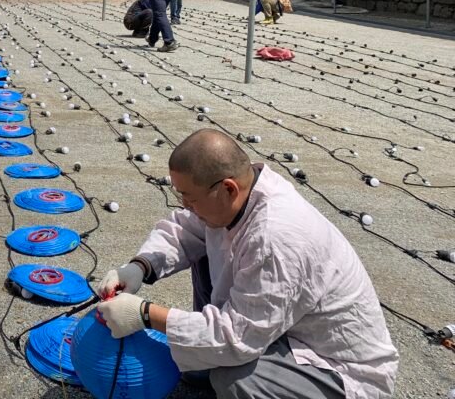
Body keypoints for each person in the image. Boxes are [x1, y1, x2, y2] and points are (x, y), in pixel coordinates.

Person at [96, 129, 397, 399]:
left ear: (228, 188)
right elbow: (185, 230)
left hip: (336, 367)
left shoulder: (275, 237)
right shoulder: (238, 196)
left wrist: (145, 314)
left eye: (190, 198)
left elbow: (236, 338)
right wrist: (140, 266)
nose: (186, 206)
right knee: (202, 256)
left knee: (235, 380)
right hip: (279, 326)